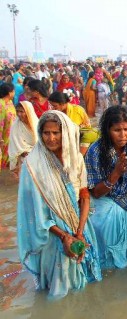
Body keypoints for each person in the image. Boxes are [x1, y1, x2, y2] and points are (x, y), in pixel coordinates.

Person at [17, 110, 102, 300]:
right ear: (40, 134)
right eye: (46, 133)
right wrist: (64, 237)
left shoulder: (76, 159)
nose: (51, 138)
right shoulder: (32, 165)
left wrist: (79, 232)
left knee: (85, 286)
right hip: (51, 232)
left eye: (56, 133)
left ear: (66, 133)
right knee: (60, 289)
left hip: (79, 226)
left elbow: (84, 196)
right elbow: (34, 212)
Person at [85, 106, 127, 269]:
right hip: (104, 211)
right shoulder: (95, 151)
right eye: (117, 130)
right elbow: (95, 192)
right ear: (108, 129)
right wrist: (115, 173)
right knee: (108, 260)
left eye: (126, 129)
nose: (123, 135)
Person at [7, 101, 38, 179]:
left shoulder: (37, 124)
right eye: (17, 111)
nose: (19, 114)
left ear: (28, 111)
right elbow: (14, 144)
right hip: (23, 159)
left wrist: (33, 152)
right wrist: (24, 151)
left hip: (38, 158)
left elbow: (41, 142)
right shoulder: (15, 125)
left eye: (22, 111)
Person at [1, 83, 17, 170]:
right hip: (3, 137)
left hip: (11, 136)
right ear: (9, 92)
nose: (14, 93)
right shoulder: (1, 104)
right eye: (13, 91)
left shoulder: (10, 102)